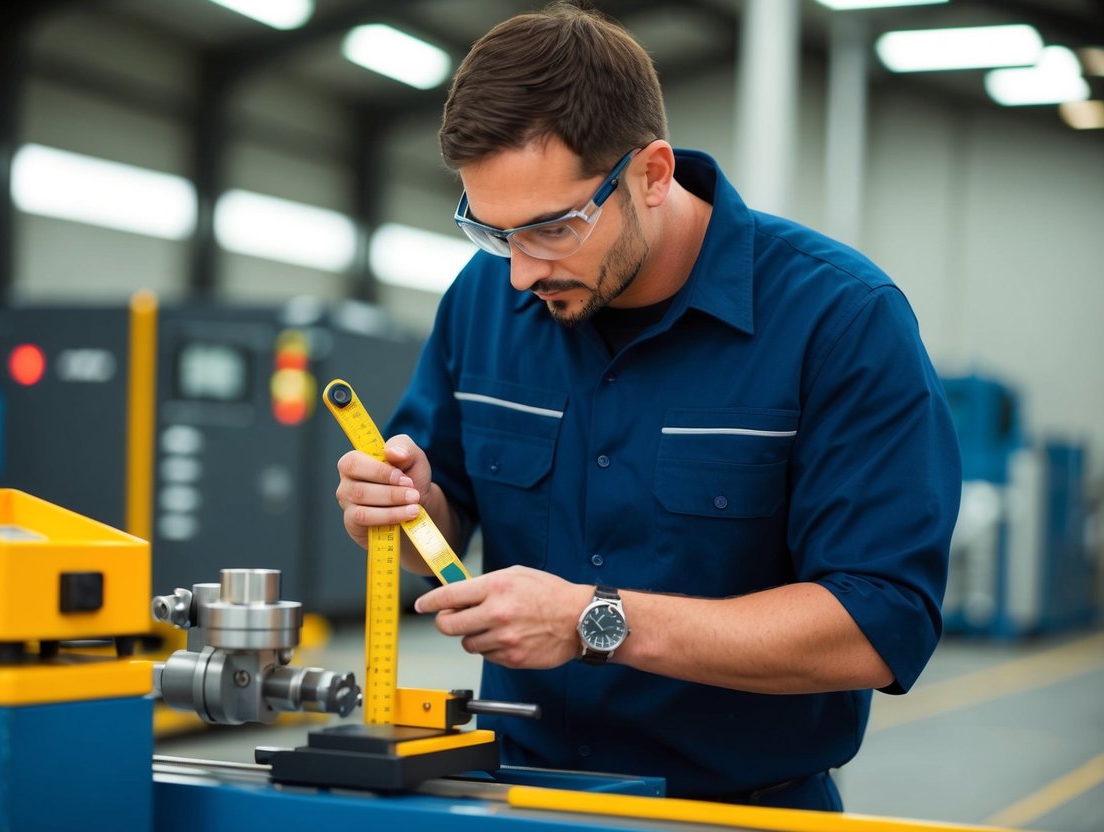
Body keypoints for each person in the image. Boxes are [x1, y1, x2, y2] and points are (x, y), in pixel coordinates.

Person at [335, 0, 960, 811]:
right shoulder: (484, 301)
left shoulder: (839, 319)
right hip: (516, 795)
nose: (520, 272)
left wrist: (596, 622)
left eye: (551, 228)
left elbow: (880, 622)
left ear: (652, 174)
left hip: (739, 811)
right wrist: (406, 510)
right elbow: (441, 531)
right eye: (491, 232)